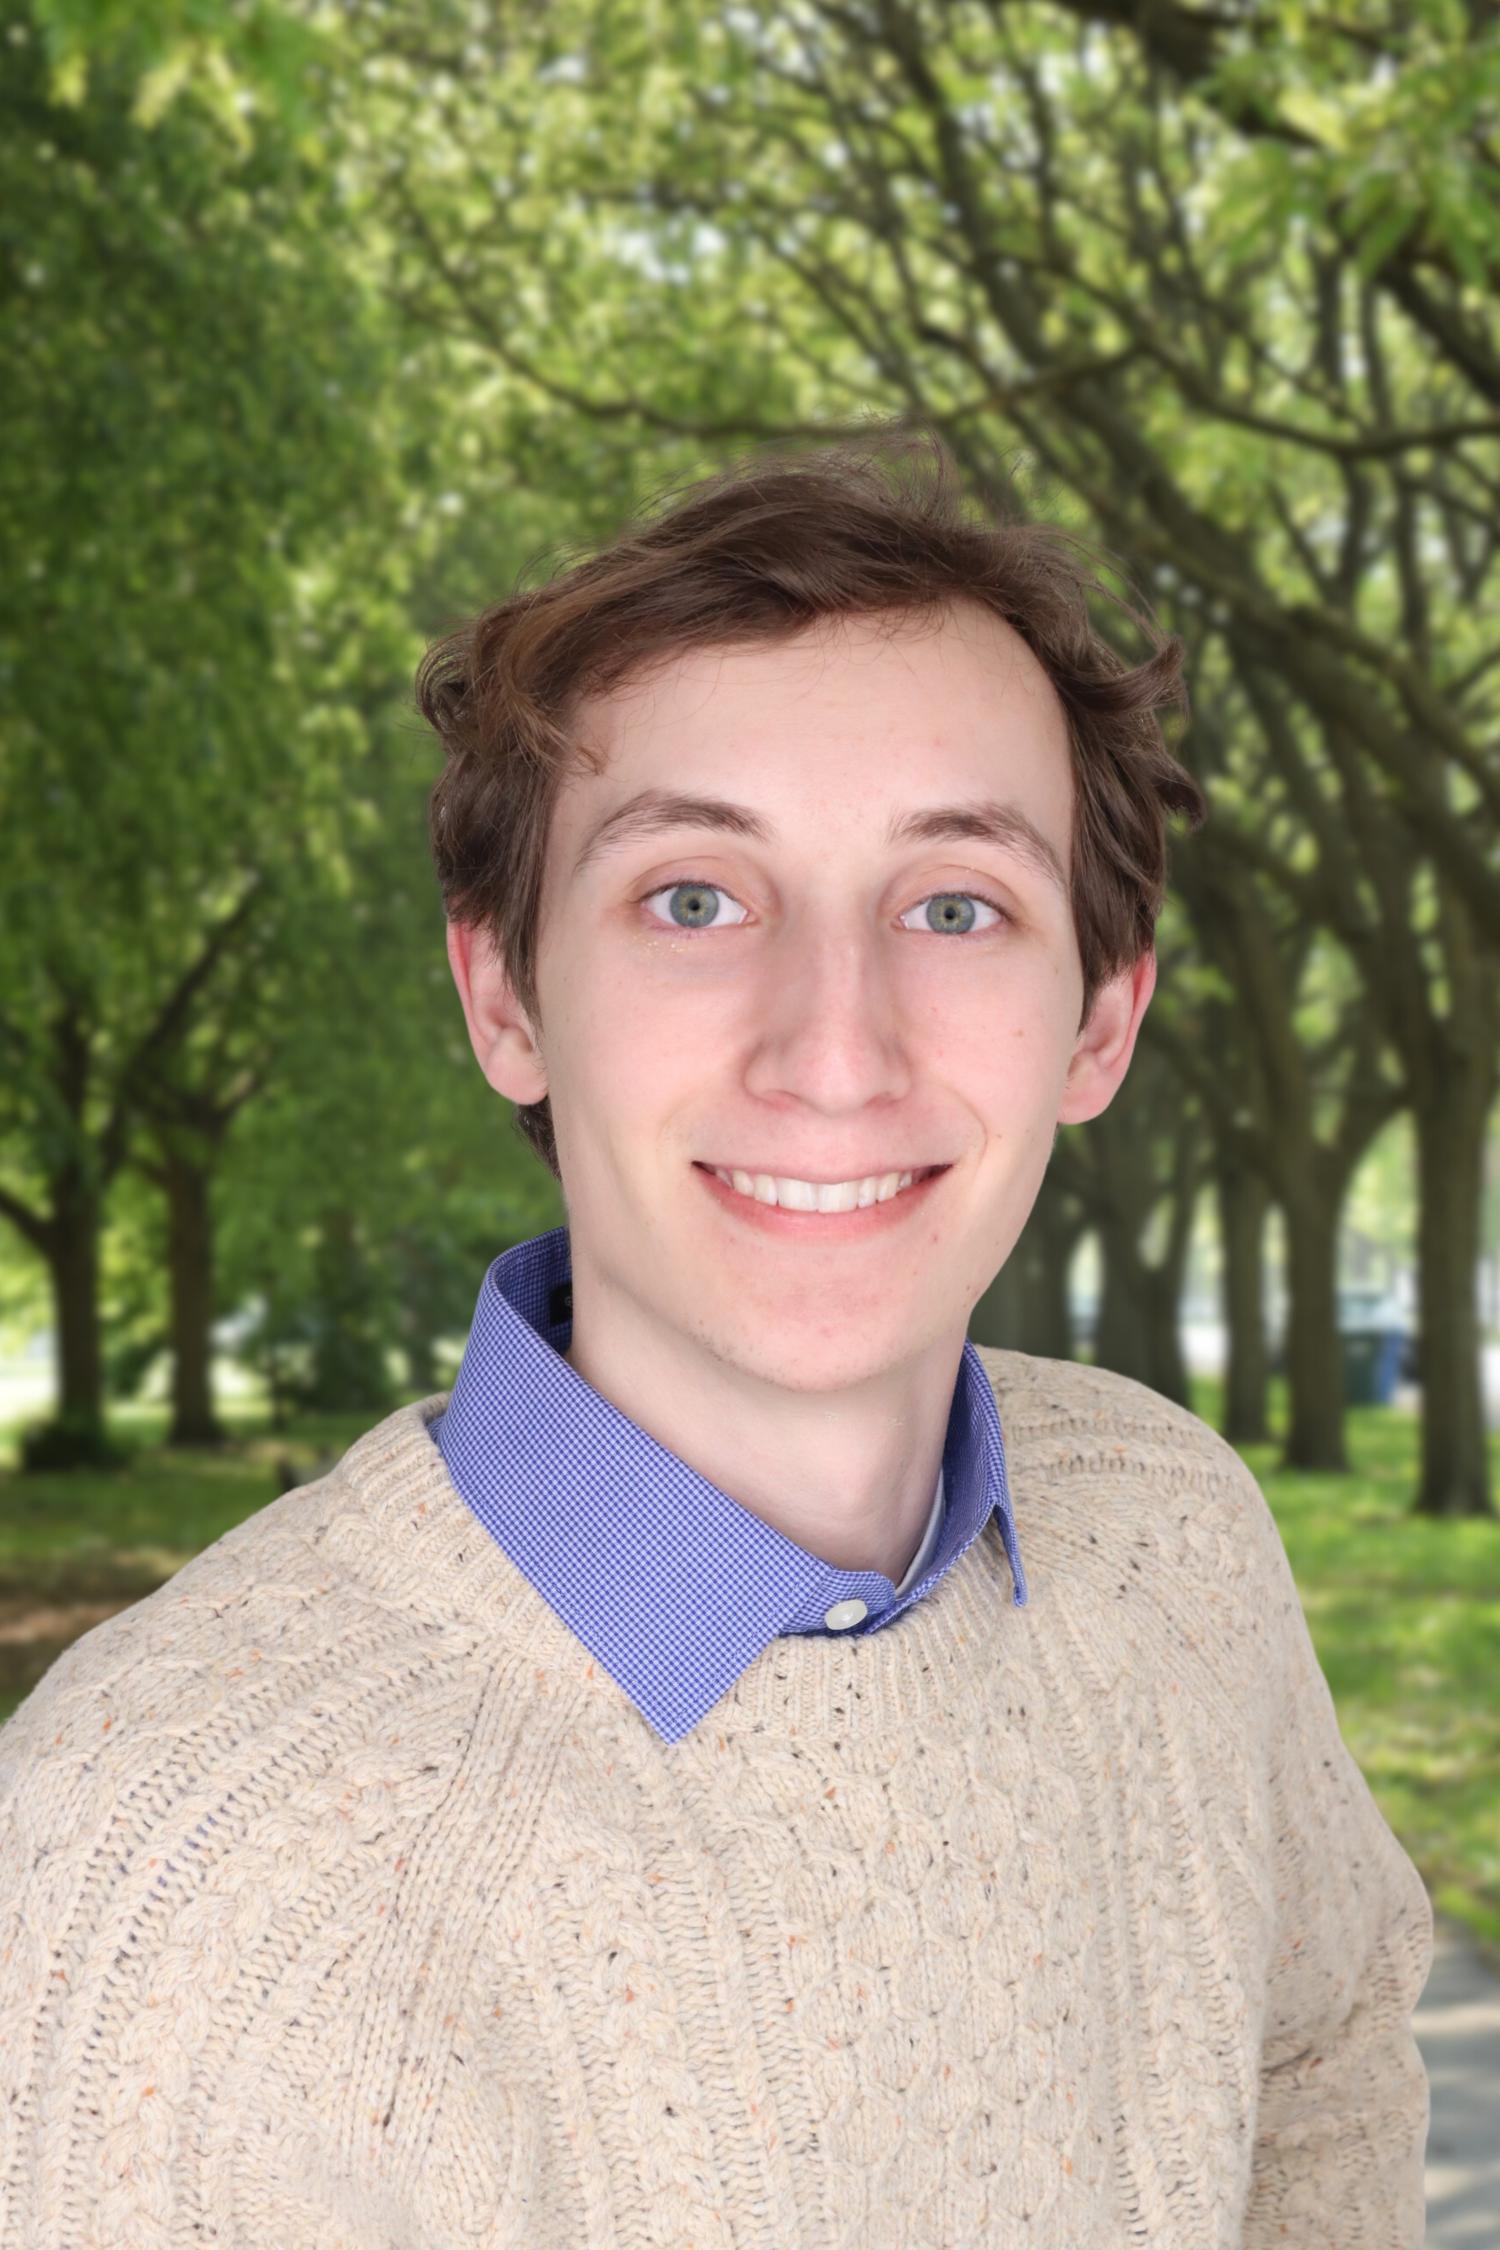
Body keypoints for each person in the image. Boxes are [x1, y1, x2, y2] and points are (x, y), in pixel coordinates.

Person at [0, 430, 1432, 2246]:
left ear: (1100, 1021)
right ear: (506, 996)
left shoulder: (1172, 1527)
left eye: (953, 904)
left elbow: (1323, 2048)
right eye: (693, 897)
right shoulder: (169, 1870)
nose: (832, 1047)